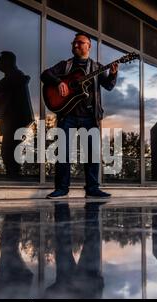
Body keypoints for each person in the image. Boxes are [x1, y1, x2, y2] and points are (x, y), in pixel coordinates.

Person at [41, 32, 119, 199]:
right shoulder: (66, 65)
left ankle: (92, 188)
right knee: (63, 153)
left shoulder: (97, 67)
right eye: (74, 43)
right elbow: (45, 74)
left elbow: (109, 86)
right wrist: (59, 82)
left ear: (88, 46)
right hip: (67, 115)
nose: (75, 45)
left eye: (80, 43)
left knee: (92, 154)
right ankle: (62, 189)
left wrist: (112, 74)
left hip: (90, 117)